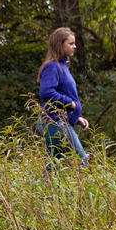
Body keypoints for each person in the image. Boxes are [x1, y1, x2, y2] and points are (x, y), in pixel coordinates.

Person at [37, 27, 89, 169]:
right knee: (82, 161)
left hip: (57, 121)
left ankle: (45, 183)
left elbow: (64, 92)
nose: (74, 46)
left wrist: (77, 116)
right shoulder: (52, 66)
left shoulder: (62, 66)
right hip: (54, 122)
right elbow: (46, 92)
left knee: (52, 166)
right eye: (71, 43)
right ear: (60, 45)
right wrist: (71, 104)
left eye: (74, 43)